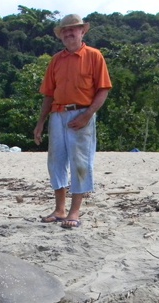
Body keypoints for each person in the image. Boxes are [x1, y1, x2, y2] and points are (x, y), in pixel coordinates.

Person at [33, 14, 112, 228]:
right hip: (57, 114)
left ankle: (74, 212)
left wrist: (87, 115)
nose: (69, 33)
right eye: (65, 31)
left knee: (81, 163)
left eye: (73, 29)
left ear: (82, 31)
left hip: (82, 113)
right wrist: (40, 122)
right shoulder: (56, 60)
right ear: (61, 35)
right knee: (56, 162)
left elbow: (103, 89)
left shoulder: (94, 56)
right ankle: (59, 210)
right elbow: (48, 94)